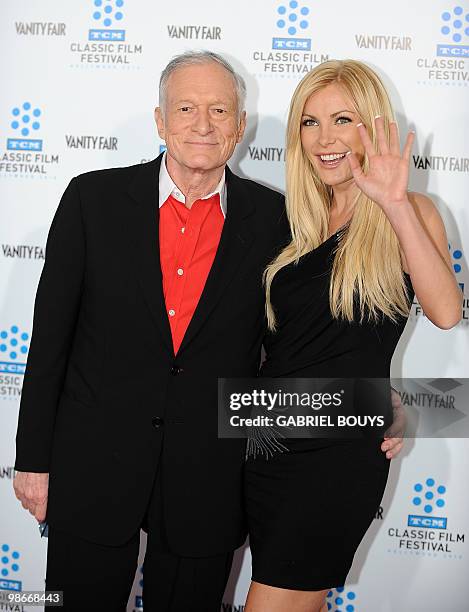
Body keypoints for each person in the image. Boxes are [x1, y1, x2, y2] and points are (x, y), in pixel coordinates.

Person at [12, 51, 404, 612]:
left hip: (210, 484)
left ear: (240, 127)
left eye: (220, 110)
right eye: (187, 108)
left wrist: (376, 404)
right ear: (159, 120)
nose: (203, 124)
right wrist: (32, 460)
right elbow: (48, 341)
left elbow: (299, 352)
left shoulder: (282, 222)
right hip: (93, 471)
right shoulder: (91, 199)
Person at [244, 59, 462, 612]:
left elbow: (444, 311)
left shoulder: (410, 212)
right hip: (265, 436)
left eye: (343, 119)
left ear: (372, 124)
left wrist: (393, 202)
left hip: (334, 456)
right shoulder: (293, 219)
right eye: (310, 122)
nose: (325, 138)